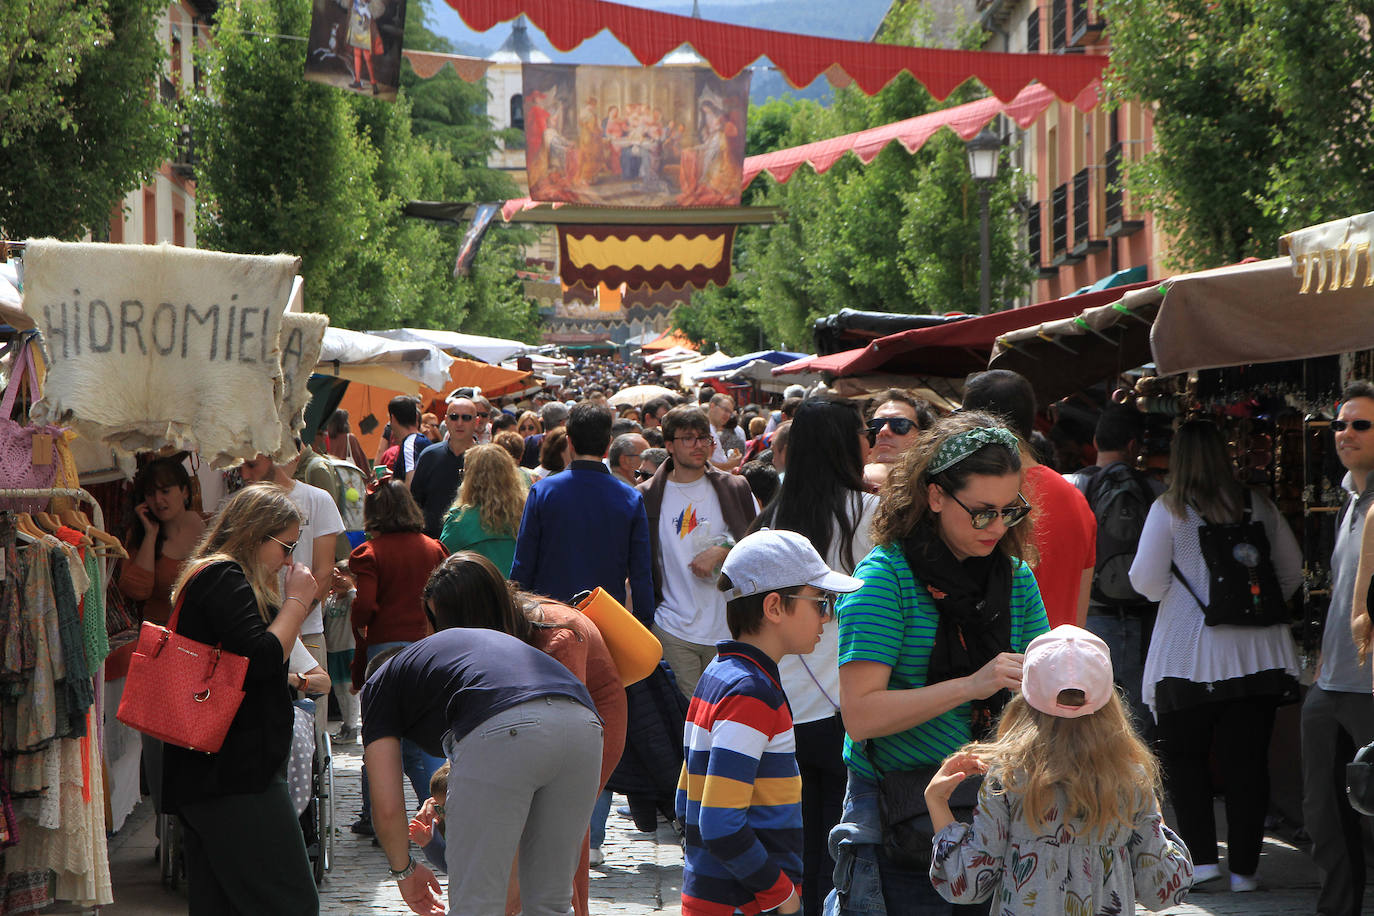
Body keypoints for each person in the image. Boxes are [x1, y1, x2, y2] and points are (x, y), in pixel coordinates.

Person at [830, 412, 1050, 915]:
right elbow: (861, 714)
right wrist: (971, 685)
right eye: (980, 512)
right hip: (899, 811)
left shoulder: (1014, 578)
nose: (996, 527)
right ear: (934, 497)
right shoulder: (886, 579)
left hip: (998, 807)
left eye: (1008, 511)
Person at [1128, 419, 1301, 892]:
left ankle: (1202, 862)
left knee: (1186, 761)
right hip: (1259, 654)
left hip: (1189, 655)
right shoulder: (1257, 505)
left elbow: (1145, 583)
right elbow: (1290, 573)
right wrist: (1252, 607)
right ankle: (1246, 870)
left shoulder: (1170, 510)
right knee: (1248, 762)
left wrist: (1184, 596)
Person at [925, 625, 1193, 913]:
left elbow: (967, 885)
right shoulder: (1129, 778)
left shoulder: (1009, 777)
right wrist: (1149, 805)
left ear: (1026, 696)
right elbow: (1163, 890)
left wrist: (937, 801)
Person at [421, 552, 627, 916]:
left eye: (447, 621)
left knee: (558, 832)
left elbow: (564, 712)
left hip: (587, 719)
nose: (442, 633)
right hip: (529, 724)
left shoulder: (558, 635)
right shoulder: (497, 627)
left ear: (474, 610)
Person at [678, 528, 864, 916]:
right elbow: (720, 823)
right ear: (775, 607)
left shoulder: (719, 673)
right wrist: (781, 895)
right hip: (744, 902)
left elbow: (687, 800)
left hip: (713, 892)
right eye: (820, 602)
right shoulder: (752, 691)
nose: (827, 618)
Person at [362, 628, 603, 916]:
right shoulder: (450, 660)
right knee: (550, 903)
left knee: (475, 906)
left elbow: (386, 806)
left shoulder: (378, 685)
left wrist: (404, 871)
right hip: (584, 724)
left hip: (507, 724)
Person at [160, 484, 319, 914]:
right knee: (292, 904)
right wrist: (298, 603)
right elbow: (258, 659)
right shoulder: (222, 575)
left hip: (218, 771)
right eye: (285, 546)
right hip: (232, 775)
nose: (288, 560)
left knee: (223, 905)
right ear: (254, 534)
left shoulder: (219, 576)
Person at [748, 397, 878, 916]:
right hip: (850, 703)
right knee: (839, 846)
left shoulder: (769, 521)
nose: (871, 439)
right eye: (865, 432)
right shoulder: (870, 515)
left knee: (788, 843)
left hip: (782, 706)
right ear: (848, 445)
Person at [348, 481, 449, 836]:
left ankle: (375, 817)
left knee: (380, 732)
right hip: (428, 646)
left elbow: (364, 606)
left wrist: (358, 623)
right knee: (427, 733)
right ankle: (441, 807)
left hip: (386, 649)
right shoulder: (434, 548)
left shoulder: (369, 553)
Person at [639, 404, 759, 698]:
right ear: (669, 445)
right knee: (689, 719)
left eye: (704, 438)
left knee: (724, 713)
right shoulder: (646, 497)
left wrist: (723, 550)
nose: (699, 446)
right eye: (688, 438)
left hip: (727, 626)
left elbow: (760, 541)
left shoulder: (734, 487)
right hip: (672, 626)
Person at [962, 370, 1096, 629]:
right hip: (1059, 662)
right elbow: (1080, 608)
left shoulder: (980, 500)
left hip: (999, 664)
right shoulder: (1077, 499)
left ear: (973, 425)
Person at [1310, 382, 1374, 916]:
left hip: (1370, 684)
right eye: (1340, 424)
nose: (1345, 433)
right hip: (1331, 681)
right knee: (1324, 815)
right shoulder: (1349, 498)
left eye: (1361, 425)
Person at [510, 403, 656, 624]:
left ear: (569, 442)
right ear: (608, 445)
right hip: (604, 620)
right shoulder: (629, 498)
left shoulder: (543, 491)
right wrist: (644, 621)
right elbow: (641, 572)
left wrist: (519, 615)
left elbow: (523, 562)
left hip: (550, 619)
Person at [118, 457, 207, 817]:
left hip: (199, 648)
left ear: (185, 491)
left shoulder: (208, 532)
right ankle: (165, 823)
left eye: (166, 490)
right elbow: (135, 589)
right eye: (152, 493)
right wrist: (151, 535)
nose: (159, 500)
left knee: (195, 740)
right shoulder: (140, 535)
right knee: (155, 746)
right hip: (155, 647)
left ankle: (195, 820)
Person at [240, 448, 345, 738]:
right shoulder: (242, 503)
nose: (244, 474)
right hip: (262, 626)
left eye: (251, 464)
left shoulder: (316, 499)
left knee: (313, 725)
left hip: (306, 630)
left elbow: (323, 573)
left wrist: (293, 619)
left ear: (273, 455)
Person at [1068, 405, 1162, 725]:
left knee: (1090, 719)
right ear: (1134, 446)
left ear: (1095, 440)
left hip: (1089, 621)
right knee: (1138, 724)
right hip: (1143, 625)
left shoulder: (1071, 488)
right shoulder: (1157, 493)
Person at [439, 443, 527, 575]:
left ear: (470, 479)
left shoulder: (458, 521)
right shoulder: (525, 516)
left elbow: (442, 566)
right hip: (517, 593)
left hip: (474, 593)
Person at [409, 395, 481, 538]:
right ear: (446, 421)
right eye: (454, 417)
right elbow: (414, 502)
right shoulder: (429, 456)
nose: (459, 423)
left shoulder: (485, 460)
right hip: (431, 544)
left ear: (476, 422)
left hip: (472, 545)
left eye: (466, 418)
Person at [862, 389, 935, 491]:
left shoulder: (935, 483)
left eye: (899, 424)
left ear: (923, 435)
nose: (883, 431)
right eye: (876, 425)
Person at [387, 395, 427, 484]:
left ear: (392, 418)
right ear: (417, 417)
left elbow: (411, 481)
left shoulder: (410, 445)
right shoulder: (423, 441)